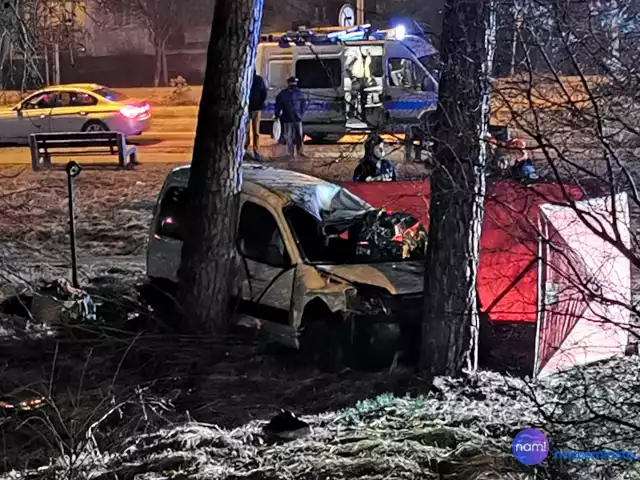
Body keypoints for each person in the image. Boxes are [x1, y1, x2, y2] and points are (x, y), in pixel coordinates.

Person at [275, 77, 307, 158]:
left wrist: (277, 114)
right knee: (294, 136)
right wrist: (301, 114)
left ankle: (294, 152)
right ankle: (294, 152)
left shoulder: (284, 93)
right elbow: (303, 105)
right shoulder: (298, 93)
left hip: (291, 117)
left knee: (293, 136)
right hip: (292, 118)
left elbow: (278, 105)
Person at [246, 72, 267, 153]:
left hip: (250, 109)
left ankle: (249, 148)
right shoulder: (259, 80)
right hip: (255, 109)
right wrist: (261, 103)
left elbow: (264, 93)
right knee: (255, 131)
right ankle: (254, 149)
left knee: (248, 131)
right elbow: (264, 93)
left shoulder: (252, 79)